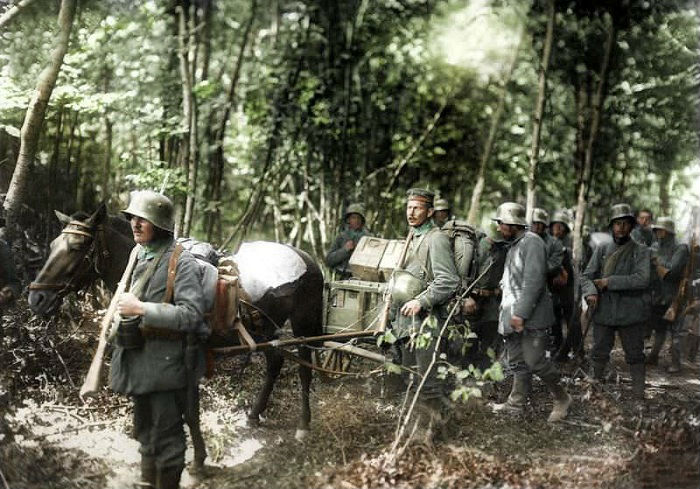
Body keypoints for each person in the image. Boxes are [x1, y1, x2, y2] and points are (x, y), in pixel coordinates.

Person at [110, 190, 209, 489]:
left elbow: (192, 315)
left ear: (161, 224)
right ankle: (147, 482)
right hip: (138, 358)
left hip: (167, 366)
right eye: (133, 218)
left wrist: (141, 309)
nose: (135, 224)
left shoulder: (181, 262)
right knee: (144, 432)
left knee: (167, 438)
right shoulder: (138, 254)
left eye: (144, 219)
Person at [492, 202, 571, 422]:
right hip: (513, 314)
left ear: (511, 223)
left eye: (501, 223)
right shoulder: (515, 244)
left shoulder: (532, 243)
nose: (499, 228)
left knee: (535, 361)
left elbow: (534, 281)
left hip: (531, 317)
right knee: (517, 361)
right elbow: (514, 278)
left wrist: (521, 314)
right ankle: (516, 404)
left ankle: (562, 398)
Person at [390, 188, 459, 433]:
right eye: (409, 207)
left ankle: (444, 426)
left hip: (426, 322)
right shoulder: (413, 236)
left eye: (417, 208)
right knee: (410, 377)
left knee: (427, 382)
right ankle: (422, 428)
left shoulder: (435, 238)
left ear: (430, 212)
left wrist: (422, 301)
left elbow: (448, 281)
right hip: (405, 321)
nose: (411, 212)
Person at [581, 203, 650, 402]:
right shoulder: (602, 249)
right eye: (617, 223)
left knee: (635, 355)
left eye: (625, 223)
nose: (621, 228)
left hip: (630, 312)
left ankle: (638, 396)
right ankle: (593, 390)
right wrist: (591, 293)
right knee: (599, 352)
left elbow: (641, 279)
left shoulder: (640, 251)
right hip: (604, 310)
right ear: (611, 226)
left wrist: (608, 282)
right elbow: (586, 276)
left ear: (631, 227)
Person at [459, 225, 507, 370]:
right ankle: (467, 374)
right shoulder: (473, 249)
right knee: (469, 340)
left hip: (492, 301)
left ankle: (485, 375)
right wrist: (466, 296)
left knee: (490, 339)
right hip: (472, 299)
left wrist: (499, 290)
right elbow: (461, 274)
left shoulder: (504, 250)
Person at [647, 217, 689, 373]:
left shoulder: (681, 248)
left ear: (669, 231)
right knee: (659, 328)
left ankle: (676, 363)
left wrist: (657, 262)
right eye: (657, 229)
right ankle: (653, 356)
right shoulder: (654, 246)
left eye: (662, 229)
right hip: (658, 294)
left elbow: (672, 272)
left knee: (676, 332)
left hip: (675, 295)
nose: (659, 232)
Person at [530, 208, 567, 352]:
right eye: (534, 223)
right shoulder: (524, 239)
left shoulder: (554, 243)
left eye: (540, 223)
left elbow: (555, 263)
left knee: (552, 320)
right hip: (527, 287)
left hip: (549, 287)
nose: (537, 226)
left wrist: (535, 269)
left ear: (545, 225)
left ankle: (555, 349)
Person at [549, 210, 578, 361]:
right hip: (552, 289)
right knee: (554, 322)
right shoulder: (546, 243)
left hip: (567, 289)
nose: (558, 230)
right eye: (555, 226)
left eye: (561, 227)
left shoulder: (569, 244)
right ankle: (558, 349)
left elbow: (574, 267)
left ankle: (577, 351)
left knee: (572, 321)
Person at [325, 203, 371, 279]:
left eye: (359, 218)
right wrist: (345, 250)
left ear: (362, 220)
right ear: (348, 220)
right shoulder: (341, 237)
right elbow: (329, 260)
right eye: (353, 217)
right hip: (341, 277)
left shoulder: (368, 238)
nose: (356, 220)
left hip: (360, 278)